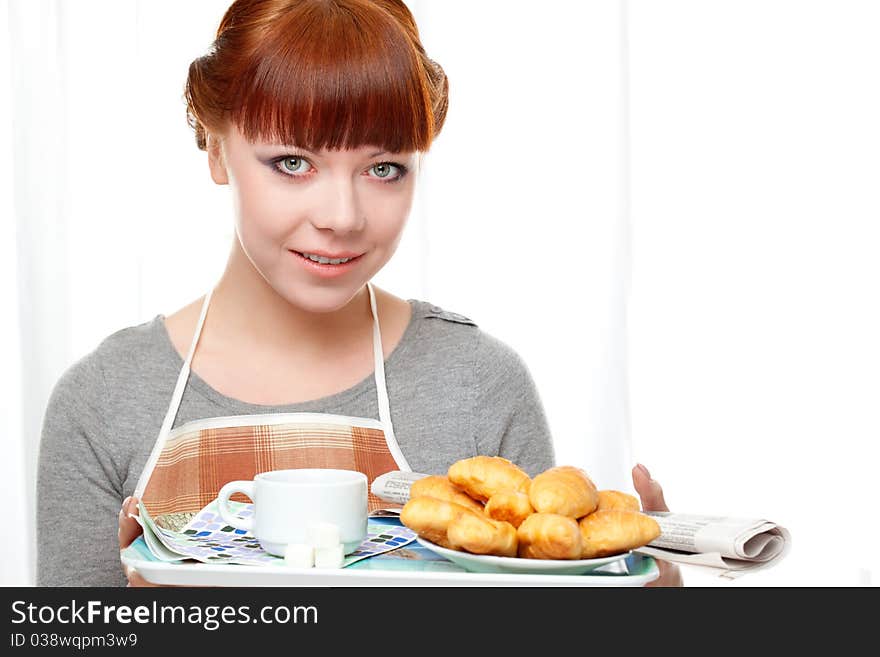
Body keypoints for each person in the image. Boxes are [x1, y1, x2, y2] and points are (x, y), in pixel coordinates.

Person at [37, 0, 680, 587]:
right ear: (214, 144)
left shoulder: (479, 384)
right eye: (293, 162)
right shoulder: (102, 402)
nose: (343, 216)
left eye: (383, 168)